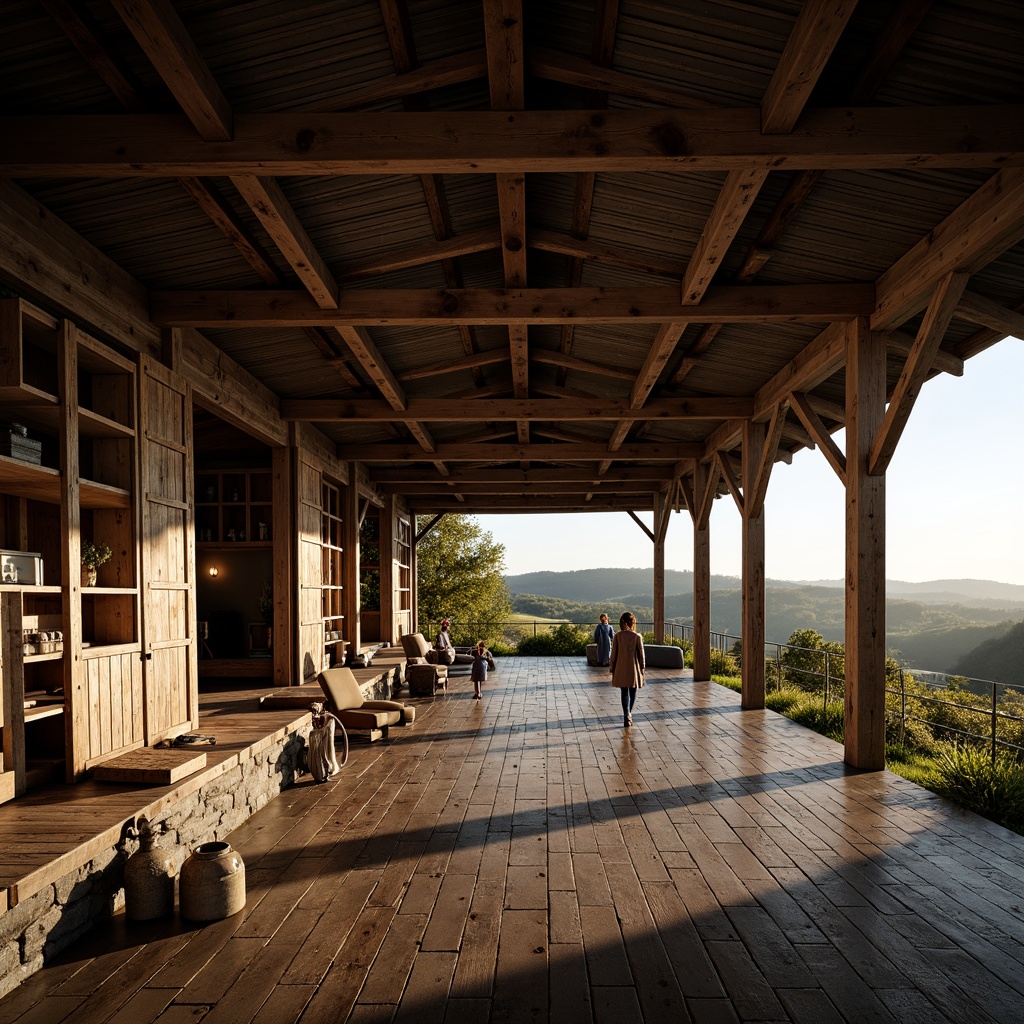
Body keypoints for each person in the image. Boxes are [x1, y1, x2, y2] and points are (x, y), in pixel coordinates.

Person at [609, 611, 644, 728]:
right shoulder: (637, 637)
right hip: (633, 668)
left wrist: (612, 667)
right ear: (633, 622)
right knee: (633, 691)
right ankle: (629, 713)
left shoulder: (617, 636)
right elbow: (641, 655)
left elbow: (613, 654)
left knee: (624, 692)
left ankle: (626, 714)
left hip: (620, 667)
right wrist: (642, 668)